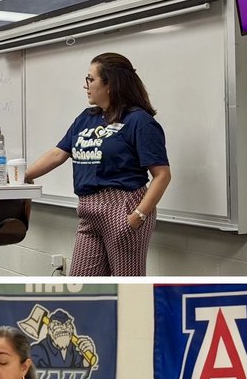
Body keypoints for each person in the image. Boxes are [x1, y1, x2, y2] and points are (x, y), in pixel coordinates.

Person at [25, 53, 170, 277]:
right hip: (88, 209)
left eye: (90, 80)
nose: (86, 86)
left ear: (110, 84)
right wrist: (23, 176)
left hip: (123, 206)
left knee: (126, 287)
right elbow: (58, 154)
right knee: (81, 286)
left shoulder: (139, 121)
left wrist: (137, 216)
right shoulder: (86, 117)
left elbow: (162, 175)